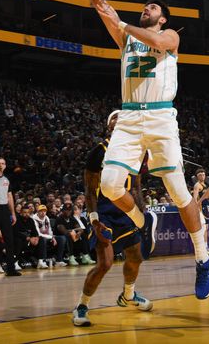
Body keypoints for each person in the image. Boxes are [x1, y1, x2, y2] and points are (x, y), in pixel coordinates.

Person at [67, 0, 209, 300]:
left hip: (162, 117)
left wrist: (126, 26)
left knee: (179, 192)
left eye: (151, 7)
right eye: (145, 7)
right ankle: (140, 220)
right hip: (129, 118)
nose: (145, 9)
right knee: (112, 186)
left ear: (161, 17)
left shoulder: (169, 35)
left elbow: (157, 43)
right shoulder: (127, 37)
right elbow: (98, 0)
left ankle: (203, 258)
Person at [72, 112, 153, 327]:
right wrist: (94, 220)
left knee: (136, 257)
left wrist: (141, 213)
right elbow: (89, 191)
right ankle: (81, 306)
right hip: (104, 212)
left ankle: (128, 295)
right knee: (105, 263)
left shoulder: (136, 151)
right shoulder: (99, 152)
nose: (120, 120)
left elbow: (135, 186)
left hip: (126, 211)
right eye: (115, 118)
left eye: (122, 117)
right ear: (109, 126)